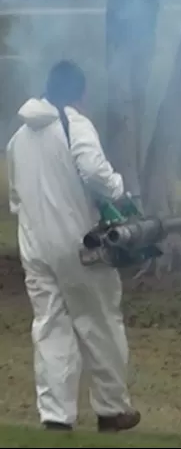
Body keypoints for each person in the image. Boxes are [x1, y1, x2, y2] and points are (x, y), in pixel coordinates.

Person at [6, 60, 141, 433]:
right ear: (80, 93)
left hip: (34, 247)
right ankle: (112, 410)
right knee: (99, 323)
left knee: (50, 328)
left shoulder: (19, 138)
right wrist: (119, 192)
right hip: (80, 245)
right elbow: (94, 172)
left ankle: (56, 417)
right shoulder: (74, 124)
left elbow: (16, 196)